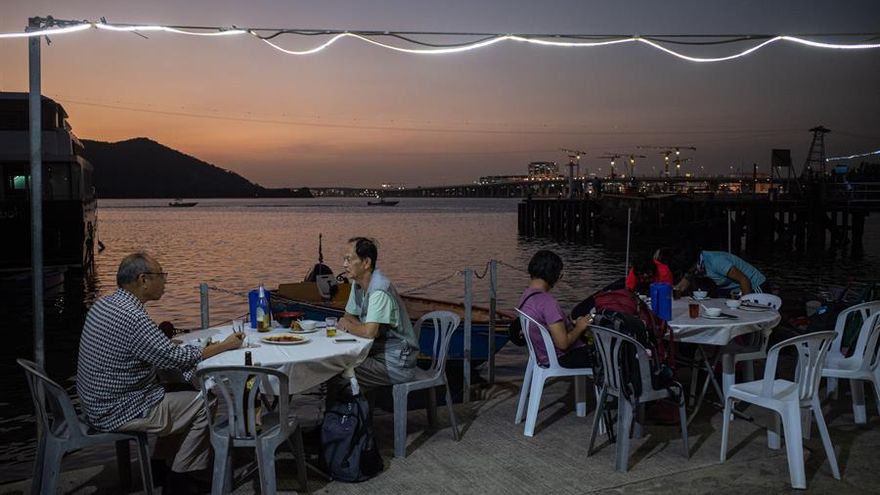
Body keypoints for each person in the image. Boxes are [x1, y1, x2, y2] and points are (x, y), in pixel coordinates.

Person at [76, 252, 243, 494]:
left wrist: (167, 348)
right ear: (143, 279)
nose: (165, 281)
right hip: (117, 409)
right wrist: (225, 346)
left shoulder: (107, 303)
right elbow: (175, 358)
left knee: (180, 391)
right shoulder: (132, 315)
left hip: (98, 402)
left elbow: (149, 349)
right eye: (161, 275)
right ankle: (179, 479)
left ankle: (159, 466)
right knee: (205, 401)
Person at [337, 237, 418, 388]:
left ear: (366, 263)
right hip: (375, 353)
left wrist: (346, 325)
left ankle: (348, 411)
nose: (344, 264)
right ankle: (353, 410)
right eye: (344, 259)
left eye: (349, 259)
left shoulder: (379, 290)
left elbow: (369, 332)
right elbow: (348, 316)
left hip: (396, 363)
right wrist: (354, 324)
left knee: (336, 370)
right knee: (336, 365)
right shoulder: (358, 283)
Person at [519, 250, 594, 368]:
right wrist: (580, 327)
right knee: (610, 355)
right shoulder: (548, 302)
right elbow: (563, 344)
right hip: (561, 358)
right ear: (555, 275)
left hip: (542, 356)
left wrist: (570, 325)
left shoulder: (526, 296)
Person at [674, 250, 766, 296]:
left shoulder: (716, 261)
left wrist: (747, 304)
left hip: (754, 285)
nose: (690, 274)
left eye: (690, 271)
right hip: (735, 290)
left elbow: (744, 279)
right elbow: (680, 287)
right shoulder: (694, 267)